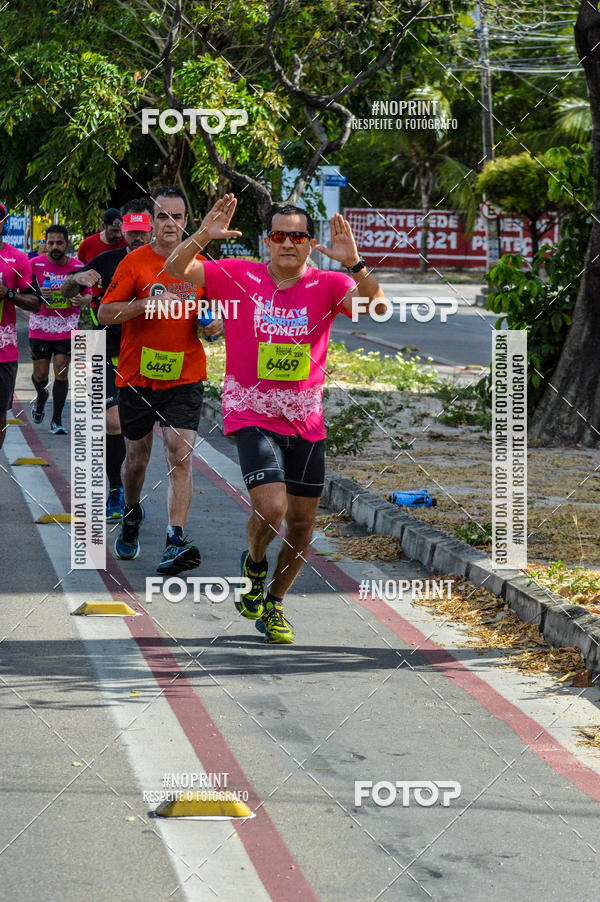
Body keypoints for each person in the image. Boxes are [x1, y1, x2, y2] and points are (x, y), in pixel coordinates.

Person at [164, 195, 386, 644]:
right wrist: (202, 234)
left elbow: (378, 309)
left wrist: (357, 265)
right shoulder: (239, 274)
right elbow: (175, 270)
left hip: (306, 420)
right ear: (268, 241)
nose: (288, 243)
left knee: (303, 525)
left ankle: (274, 603)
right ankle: (255, 564)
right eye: (279, 235)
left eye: (298, 236)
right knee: (271, 508)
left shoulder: (328, 284)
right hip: (252, 413)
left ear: (310, 243)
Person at [99, 186, 219, 574]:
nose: (171, 224)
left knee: (178, 454)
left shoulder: (201, 265)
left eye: (178, 217)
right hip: (137, 376)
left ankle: (174, 539)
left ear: (187, 221)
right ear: (152, 221)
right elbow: (104, 314)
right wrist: (144, 304)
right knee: (137, 459)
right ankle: (132, 513)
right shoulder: (134, 263)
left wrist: (216, 325)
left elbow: (213, 316)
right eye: (163, 216)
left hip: (185, 375)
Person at [62, 198, 154, 519]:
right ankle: (115, 488)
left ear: (152, 227)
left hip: (149, 353)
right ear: (122, 229)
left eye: (142, 230)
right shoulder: (105, 259)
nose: (136, 236)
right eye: (131, 230)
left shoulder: (166, 262)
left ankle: (131, 491)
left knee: (141, 438)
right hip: (103, 348)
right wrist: (77, 282)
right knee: (112, 422)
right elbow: (67, 287)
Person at [28, 224, 90, 434]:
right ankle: (42, 395)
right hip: (40, 327)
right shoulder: (34, 264)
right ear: (45, 244)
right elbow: (24, 290)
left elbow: (91, 294)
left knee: (62, 370)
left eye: (59, 243)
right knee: (41, 374)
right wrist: (37, 292)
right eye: (51, 242)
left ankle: (57, 421)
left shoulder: (78, 267)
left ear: (67, 243)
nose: (55, 246)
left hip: (67, 327)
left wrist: (82, 299)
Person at [0, 201, 42, 450]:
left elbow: (36, 304)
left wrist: (9, 294)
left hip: (3, 354)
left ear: (4, 223)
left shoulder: (17, 258)